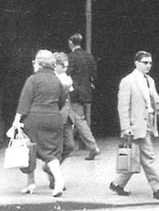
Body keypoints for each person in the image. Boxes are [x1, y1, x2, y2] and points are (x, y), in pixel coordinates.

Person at [110, 50, 159, 200]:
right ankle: (158, 188)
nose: (148, 65)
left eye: (150, 63)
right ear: (136, 63)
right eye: (145, 62)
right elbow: (123, 106)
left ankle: (117, 183)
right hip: (135, 126)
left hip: (148, 124)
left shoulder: (150, 81)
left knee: (134, 158)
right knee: (148, 158)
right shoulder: (128, 81)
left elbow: (156, 102)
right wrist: (126, 127)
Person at [9, 49, 67, 197]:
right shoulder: (57, 80)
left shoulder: (32, 80)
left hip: (34, 119)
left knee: (29, 150)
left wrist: (16, 120)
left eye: (34, 61)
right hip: (54, 118)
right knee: (50, 153)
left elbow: (24, 102)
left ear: (39, 64)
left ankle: (30, 183)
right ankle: (59, 180)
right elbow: (61, 101)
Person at [67, 32, 100, 160]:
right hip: (85, 92)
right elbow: (94, 74)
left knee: (77, 120)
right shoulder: (88, 56)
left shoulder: (71, 57)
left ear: (71, 42)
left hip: (73, 92)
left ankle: (92, 146)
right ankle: (69, 146)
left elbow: (68, 73)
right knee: (75, 119)